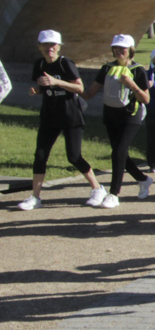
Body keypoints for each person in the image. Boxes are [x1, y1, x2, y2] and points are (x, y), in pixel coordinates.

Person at [18, 30, 106, 211]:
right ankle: (35, 197)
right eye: (45, 45)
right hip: (49, 116)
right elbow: (43, 87)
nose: (49, 48)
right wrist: (37, 90)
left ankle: (97, 188)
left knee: (74, 157)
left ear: (58, 46)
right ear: (40, 47)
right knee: (40, 155)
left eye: (52, 45)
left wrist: (56, 82)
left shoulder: (65, 63)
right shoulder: (40, 64)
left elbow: (79, 87)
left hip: (70, 115)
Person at [83, 34, 152, 209]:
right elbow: (90, 92)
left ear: (130, 50)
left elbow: (145, 99)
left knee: (119, 152)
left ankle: (114, 194)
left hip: (131, 116)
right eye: (116, 48)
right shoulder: (107, 68)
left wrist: (132, 84)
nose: (119, 51)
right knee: (119, 153)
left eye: (123, 48)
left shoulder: (138, 70)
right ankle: (143, 179)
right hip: (110, 115)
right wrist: (69, 87)